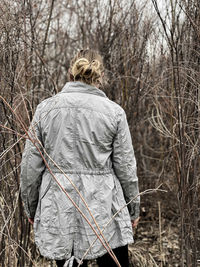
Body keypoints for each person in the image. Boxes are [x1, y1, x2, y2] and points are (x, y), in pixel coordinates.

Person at [20, 49, 140, 267]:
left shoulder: (46, 109)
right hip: (104, 208)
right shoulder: (114, 112)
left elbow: (30, 166)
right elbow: (126, 167)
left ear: (70, 73)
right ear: (100, 76)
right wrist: (133, 209)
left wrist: (31, 205)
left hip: (59, 206)